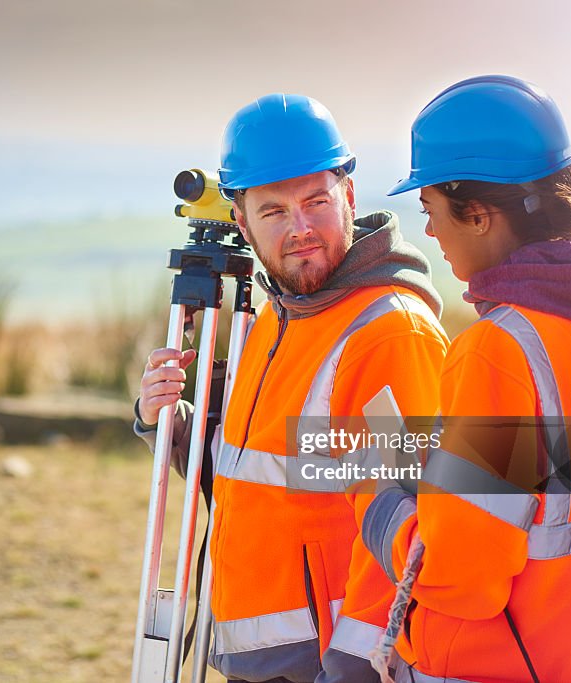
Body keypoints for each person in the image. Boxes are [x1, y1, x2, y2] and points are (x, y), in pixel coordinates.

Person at [359, 75, 571, 682]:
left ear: (480, 216)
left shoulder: (495, 352)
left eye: (431, 210)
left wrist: (381, 497)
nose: (430, 233)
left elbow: (458, 576)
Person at [135, 93, 449, 683]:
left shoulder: (386, 334)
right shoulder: (283, 314)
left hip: (323, 665)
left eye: (316, 202)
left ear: (349, 196)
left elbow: (413, 536)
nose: (301, 229)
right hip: (258, 658)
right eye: (274, 211)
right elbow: (262, 478)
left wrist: (350, 672)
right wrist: (171, 425)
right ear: (242, 222)